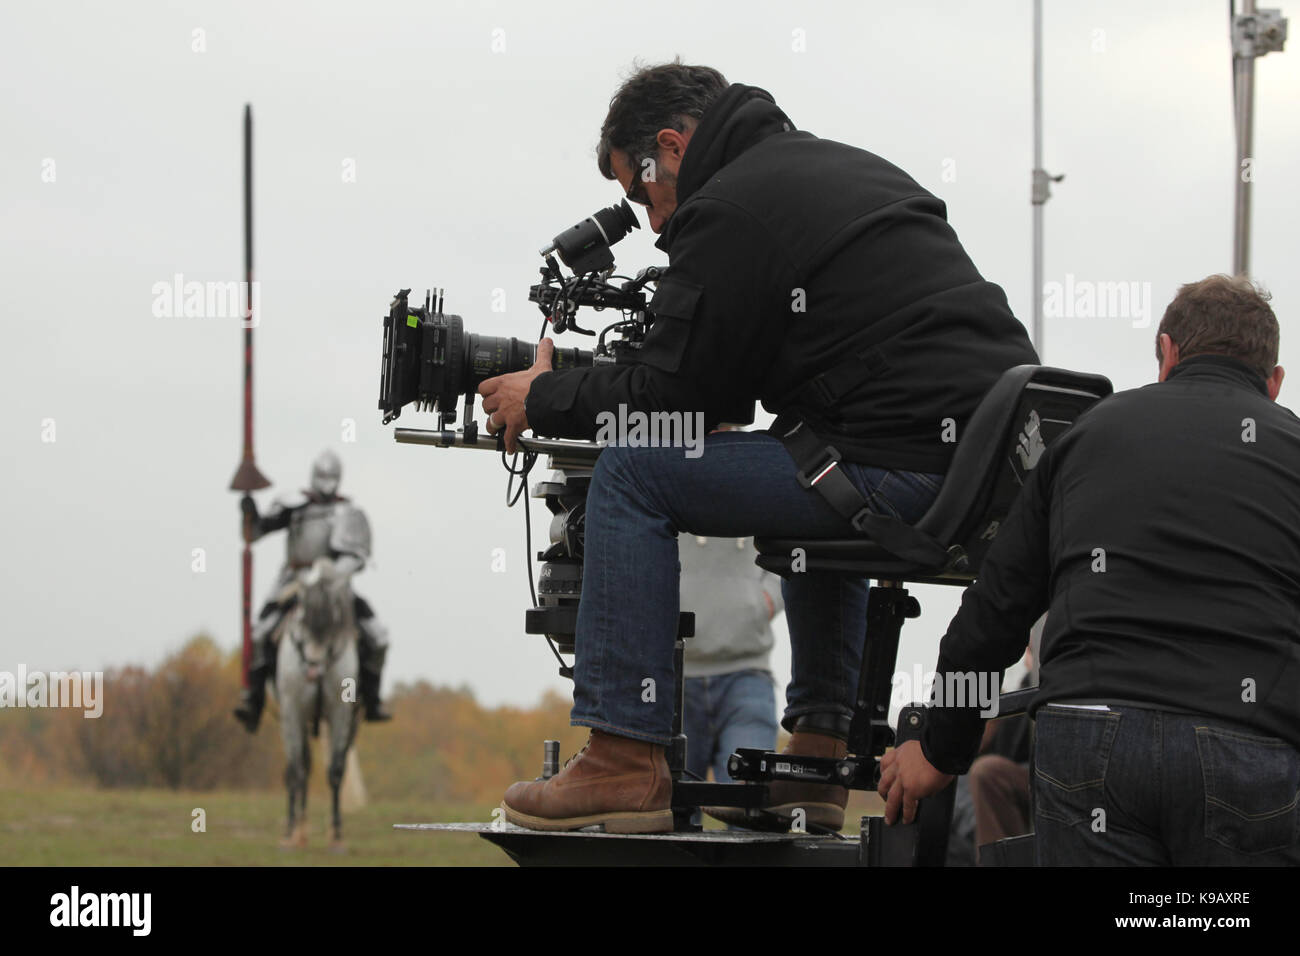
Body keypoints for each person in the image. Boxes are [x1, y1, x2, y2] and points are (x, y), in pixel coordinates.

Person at [481, 61, 1038, 833]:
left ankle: (621, 759)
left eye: (641, 194)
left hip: (908, 475)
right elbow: (717, 385)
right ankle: (813, 758)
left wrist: (541, 397)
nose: (648, 223)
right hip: (984, 469)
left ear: (670, 148)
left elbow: (677, 399)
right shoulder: (836, 167)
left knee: (632, 475)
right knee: (815, 464)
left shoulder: (731, 206)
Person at [879, 274, 1300, 866]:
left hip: (1092, 737)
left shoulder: (1086, 437)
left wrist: (942, 749)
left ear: (1167, 352)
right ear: (1274, 381)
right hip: (1248, 747)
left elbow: (991, 614)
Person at [233, 450, 392, 731]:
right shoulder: (294, 506)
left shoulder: (348, 513)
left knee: (377, 637)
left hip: (334, 587)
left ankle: (371, 700)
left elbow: (356, 557)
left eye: (331, 477)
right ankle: (253, 701)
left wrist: (333, 575)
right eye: (323, 476)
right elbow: (253, 534)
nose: (327, 483)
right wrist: (249, 512)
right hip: (294, 583)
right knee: (259, 634)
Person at [677, 533, 782, 804]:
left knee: (749, 803)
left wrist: (765, 601)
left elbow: (792, 545)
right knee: (673, 809)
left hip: (748, 678)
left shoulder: (766, 490)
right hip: (673, 678)